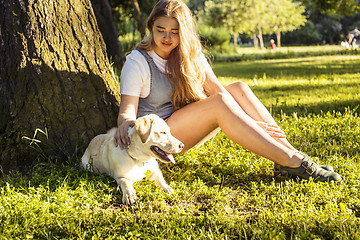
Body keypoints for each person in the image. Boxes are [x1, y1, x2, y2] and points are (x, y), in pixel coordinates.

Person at [114, 0, 342, 183]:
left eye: (174, 32)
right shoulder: (138, 62)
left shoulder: (189, 54)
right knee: (219, 103)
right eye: (160, 30)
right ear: (150, 27)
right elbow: (128, 111)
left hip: (184, 124)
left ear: (184, 33)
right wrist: (125, 124)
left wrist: (249, 121)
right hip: (160, 137)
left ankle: (291, 156)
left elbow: (219, 91)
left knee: (239, 89)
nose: (166, 37)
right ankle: (292, 161)